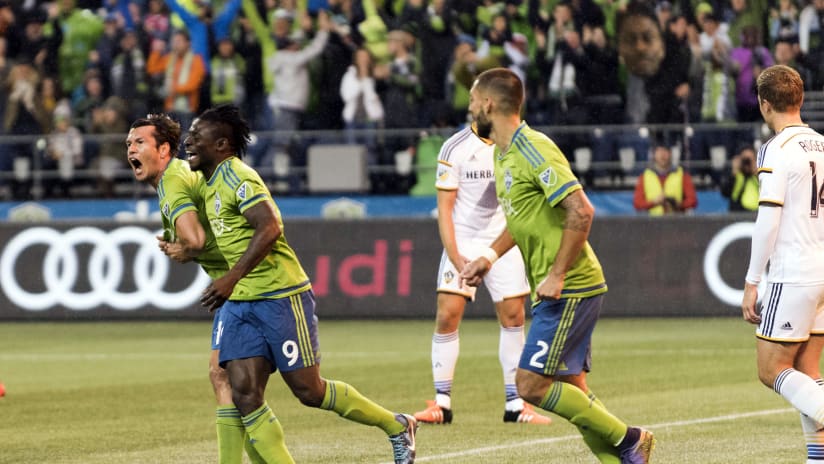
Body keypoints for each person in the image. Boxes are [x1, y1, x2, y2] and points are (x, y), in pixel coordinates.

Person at [183, 104, 417, 464]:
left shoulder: (238, 178)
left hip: (281, 296)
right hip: (242, 304)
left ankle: (396, 425)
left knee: (309, 391)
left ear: (222, 144)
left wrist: (230, 277)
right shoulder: (208, 183)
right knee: (244, 394)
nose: (188, 142)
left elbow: (270, 227)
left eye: (196, 137)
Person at [460, 68, 655, 464]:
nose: (469, 112)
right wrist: (489, 257)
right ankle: (624, 458)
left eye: (470, 103)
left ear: (488, 104)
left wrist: (557, 274)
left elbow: (581, 210)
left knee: (529, 385)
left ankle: (629, 437)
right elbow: (523, 219)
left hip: (570, 287)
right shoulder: (502, 154)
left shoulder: (533, 148)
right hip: (557, 287)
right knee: (573, 390)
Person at [125, 113, 263, 464]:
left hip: (242, 284)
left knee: (288, 388)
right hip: (241, 282)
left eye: (139, 142)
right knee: (231, 382)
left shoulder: (172, 181)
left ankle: (395, 425)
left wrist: (180, 249)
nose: (131, 148)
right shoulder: (180, 175)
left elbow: (196, 239)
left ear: (164, 148)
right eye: (128, 143)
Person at [412, 123, 552, 426]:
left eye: (478, 100)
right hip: (462, 242)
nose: (474, 107)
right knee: (447, 314)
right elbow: (445, 209)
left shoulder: (517, 144)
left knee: (514, 316)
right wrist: (454, 254)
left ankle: (516, 404)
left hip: (503, 241)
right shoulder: (455, 146)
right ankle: (442, 403)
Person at [742, 64, 824, 464]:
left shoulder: (776, 149)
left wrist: (752, 280)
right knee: (808, 372)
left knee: (771, 368)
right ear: (801, 99)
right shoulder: (823, 145)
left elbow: (768, 217)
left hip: (794, 273)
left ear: (763, 104)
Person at [632, 144, 698, 216]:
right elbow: (637, 203)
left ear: (670, 154)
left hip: (676, 220)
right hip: (652, 222)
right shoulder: (645, 176)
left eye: (665, 151)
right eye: (659, 152)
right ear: (654, 155)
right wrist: (654, 202)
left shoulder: (682, 174)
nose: (662, 155)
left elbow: (692, 201)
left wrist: (678, 204)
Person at [719, 145, 759, 212]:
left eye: (749, 160)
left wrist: (756, 172)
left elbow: (767, 190)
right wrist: (734, 173)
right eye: (745, 160)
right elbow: (725, 193)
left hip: (757, 213)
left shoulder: (760, 175)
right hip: (737, 213)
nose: (747, 163)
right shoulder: (735, 174)